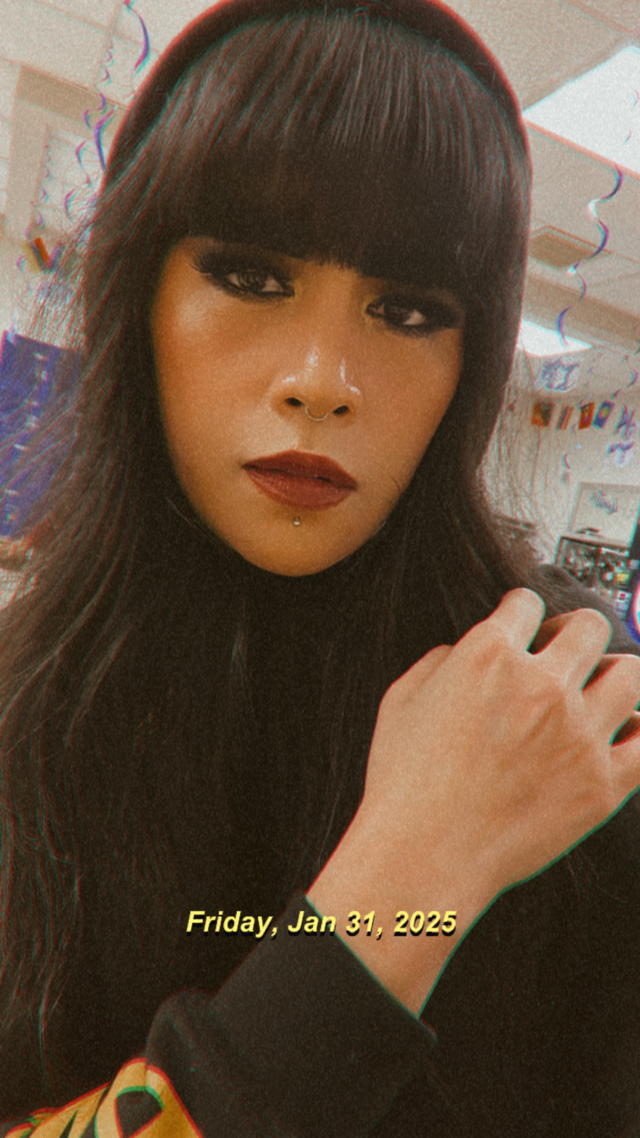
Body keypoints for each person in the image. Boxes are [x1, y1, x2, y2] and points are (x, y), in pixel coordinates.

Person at [1, 1, 640, 1133]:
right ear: (137, 295)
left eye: (408, 308)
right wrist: (412, 877)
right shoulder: (26, 692)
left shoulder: (570, 703)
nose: (321, 379)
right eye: (250, 276)